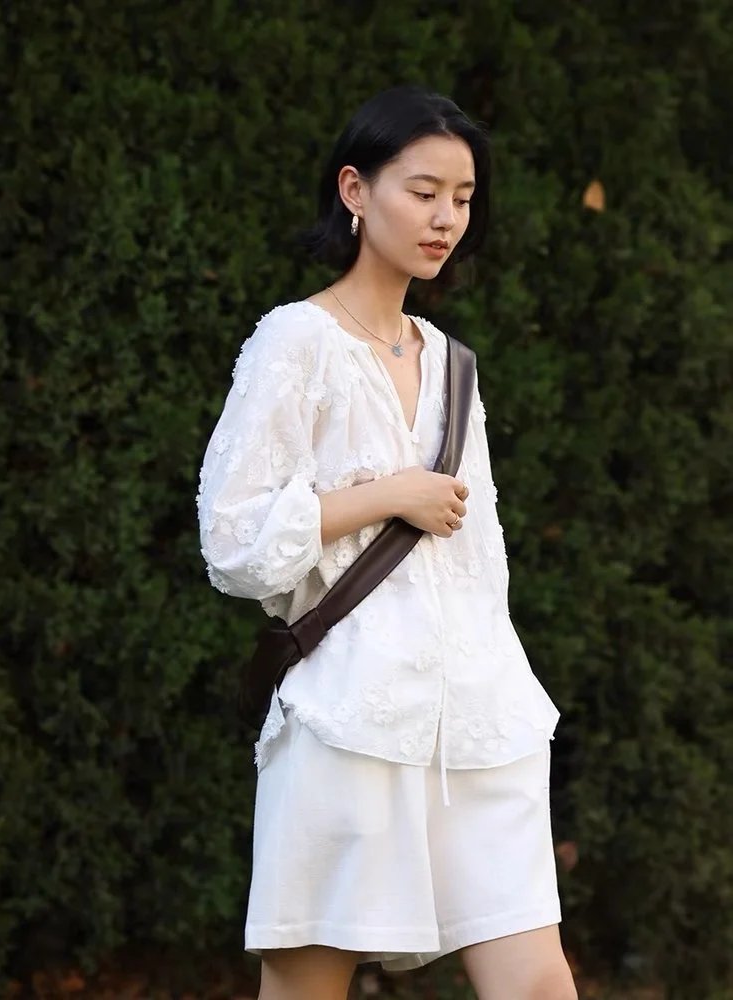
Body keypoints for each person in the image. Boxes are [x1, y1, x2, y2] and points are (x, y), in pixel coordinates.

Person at [197, 84, 577, 1000]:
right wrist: (382, 497)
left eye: (464, 198)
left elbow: (480, 564)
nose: (447, 218)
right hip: (349, 722)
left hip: (480, 725)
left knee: (537, 980)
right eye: (424, 191)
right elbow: (232, 540)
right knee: (307, 987)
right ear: (355, 190)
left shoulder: (453, 364)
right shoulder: (295, 342)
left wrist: (501, 684)